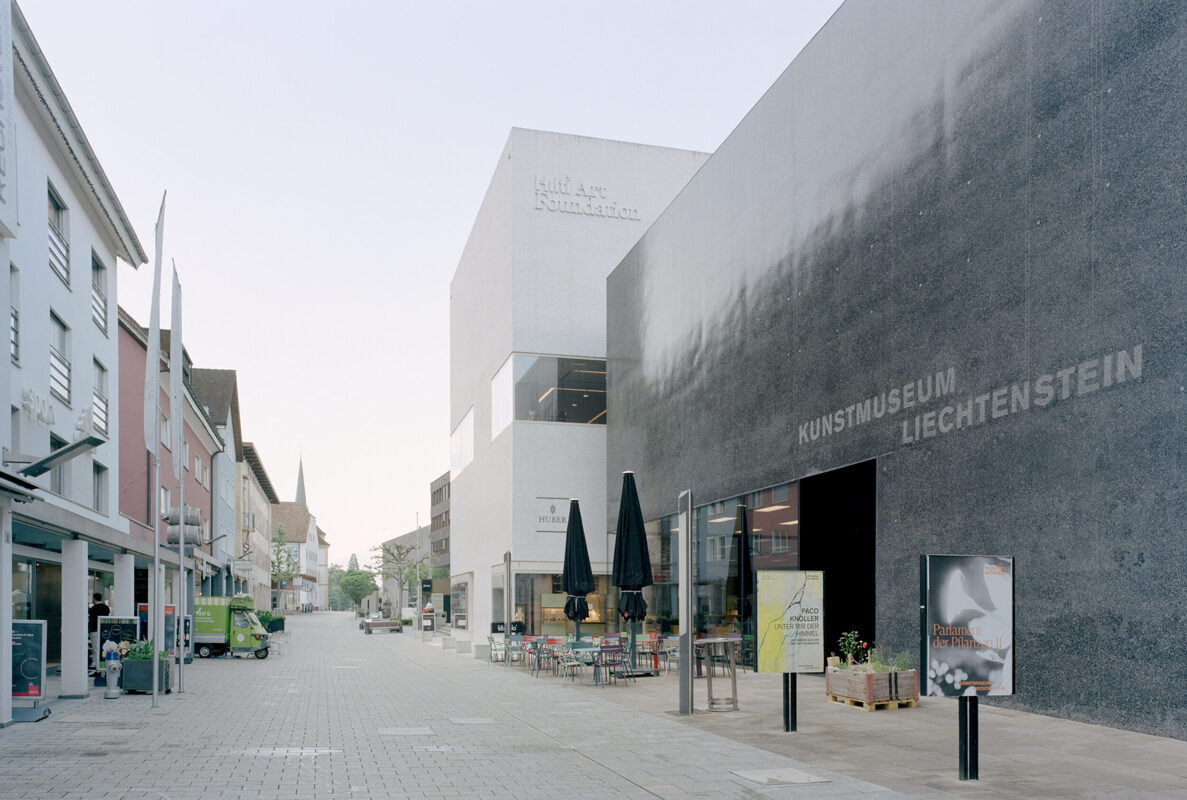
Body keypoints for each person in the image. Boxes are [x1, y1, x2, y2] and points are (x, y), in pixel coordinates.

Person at [88, 592, 110, 673]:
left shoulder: (93, 608)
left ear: (94, 598)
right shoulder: (106, 608)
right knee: (102, 648)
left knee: (95, 648)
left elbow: (91, 619)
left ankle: (97, 666)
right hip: (104, 631)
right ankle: (101, 665)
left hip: (94, 630)